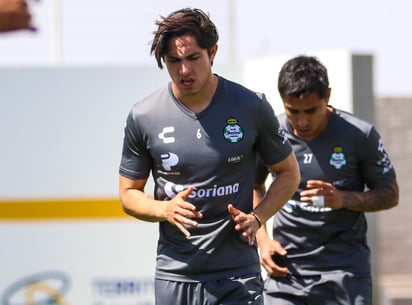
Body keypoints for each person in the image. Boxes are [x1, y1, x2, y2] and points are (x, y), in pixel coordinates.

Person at [118, 7, 300, 305]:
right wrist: (164, 210)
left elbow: (289, 173)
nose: (184, 70)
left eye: (193, 58)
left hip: (237, 274)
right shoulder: (144, 115)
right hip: (176, 274)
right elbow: (128, 194)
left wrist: (258, 217)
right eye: (173, 61)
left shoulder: (250, 106)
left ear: (212, 52)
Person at [254, 55, 399, 305]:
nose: (302, 121)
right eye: (293, 111)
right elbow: (255, 185)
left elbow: (390, 194)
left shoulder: (360, 135)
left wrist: (343, 199)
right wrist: (263, 241)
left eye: (311, 110)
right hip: (286, 272)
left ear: (327, 96)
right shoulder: (272, 134)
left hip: (345, 273)